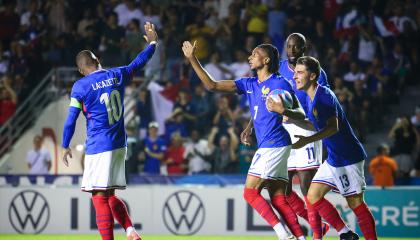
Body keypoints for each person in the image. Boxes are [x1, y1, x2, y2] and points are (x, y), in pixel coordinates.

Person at [182, 41, 306, 240]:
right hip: (272, 145)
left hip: (274, 144)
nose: (250, 57)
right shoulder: (249, 84)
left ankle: (284, 235)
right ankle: (301, 238)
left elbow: (300, 113)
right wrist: (192, 59)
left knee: (250, 193)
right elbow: (211, 85)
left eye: (255, 54)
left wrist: (284, 111)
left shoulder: (280, 83)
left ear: (266, 60)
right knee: (278, 199)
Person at [61, 22, 158, 240]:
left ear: (80, 70)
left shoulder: (81, 86)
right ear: (98, 61)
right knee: (109, 194)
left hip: (99, 145)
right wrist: (152, 43)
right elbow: (138, 62)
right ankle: (131, 231)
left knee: (98, 197)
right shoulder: (117, 74)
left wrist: (65, 144)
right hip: (118, 144)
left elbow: (71, 120)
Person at [245, 33, 331, 239]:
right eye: (288, 46)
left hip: (305, 127)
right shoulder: (279, 70)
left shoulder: (316, 71)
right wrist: (250, 126)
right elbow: (263, 97)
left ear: (304, 48)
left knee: (306, 187)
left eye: (296, 47)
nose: (291, 50)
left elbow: (323, 100)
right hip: (283, 129)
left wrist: (320, 128)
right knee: (283, 192)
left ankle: (317, 235)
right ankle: (315, 229)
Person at [286, 56, 377, 240]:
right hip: (334, 158)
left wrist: (306, 141)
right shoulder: (312, 98)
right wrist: (292, 117)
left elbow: (332, 127)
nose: (295, 77)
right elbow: (315, 125)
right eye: (295, 72)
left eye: (300, 73)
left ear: (312, 76)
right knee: (312, 196)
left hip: (348, 156)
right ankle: (345, 234)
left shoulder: (324, 96)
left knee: (356, 203)